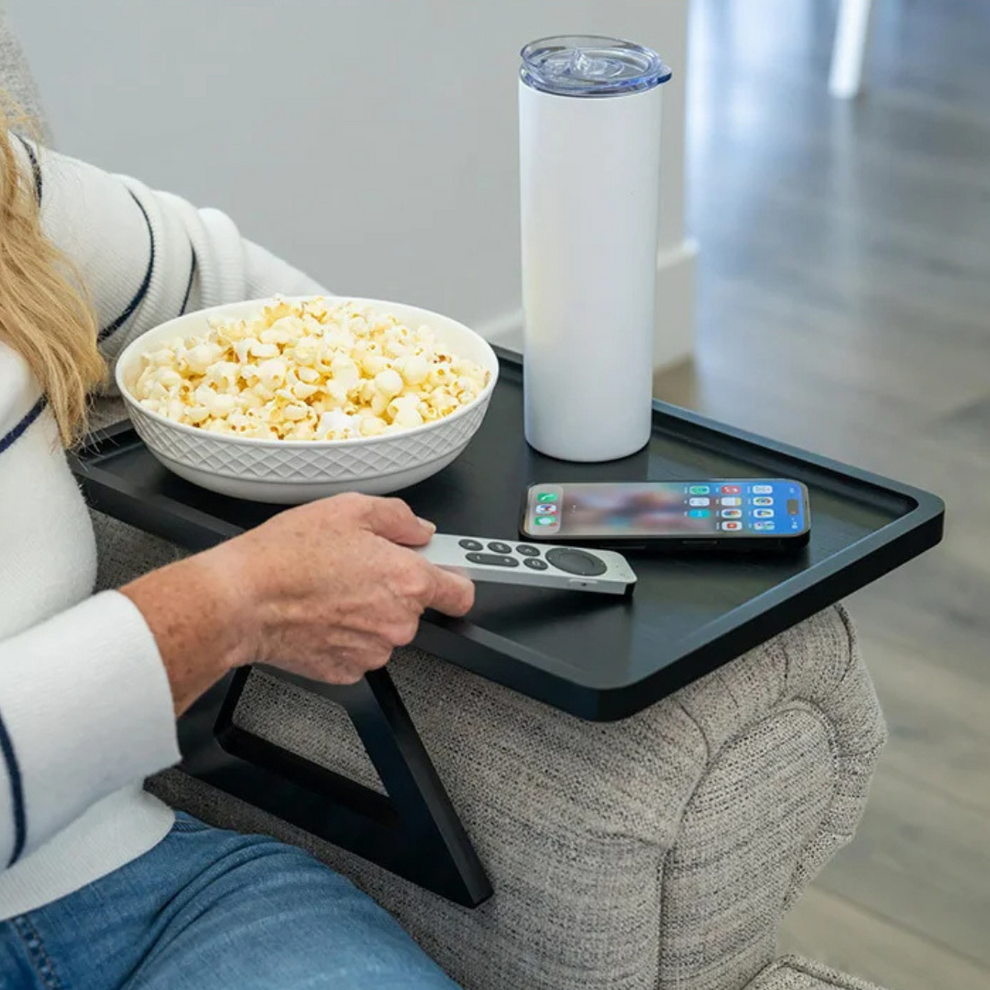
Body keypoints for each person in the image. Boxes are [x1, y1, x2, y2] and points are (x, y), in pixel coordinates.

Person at [0, 101, 474, 989]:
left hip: (137, 882)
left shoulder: (7, 186)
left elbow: (216, 289)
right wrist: (227, 606)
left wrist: (366, 424)